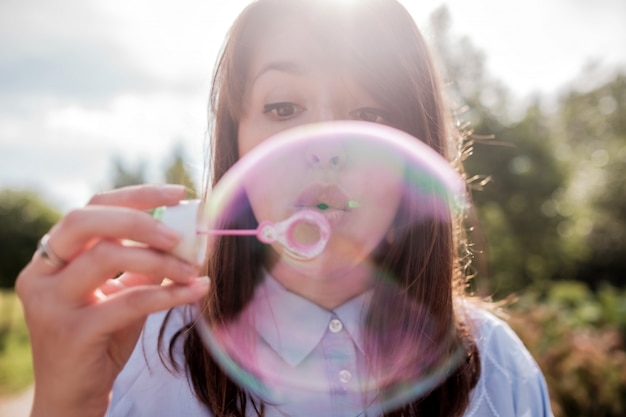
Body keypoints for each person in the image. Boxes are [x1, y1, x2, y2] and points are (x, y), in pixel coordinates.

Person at [16, 0, 554, 416]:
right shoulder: (136, 349)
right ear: (237, 142)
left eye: (373, 113)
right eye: (283, 106)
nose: (325, 145)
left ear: (418, 156)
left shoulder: (497, 366)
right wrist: (66, 404)